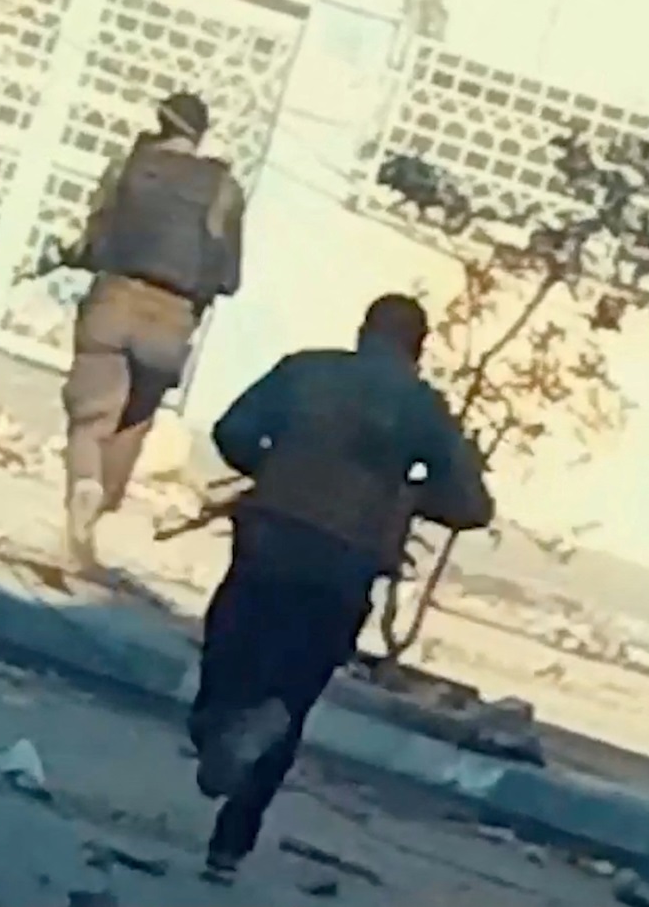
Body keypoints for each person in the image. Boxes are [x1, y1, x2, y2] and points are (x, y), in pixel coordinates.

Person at [187, 293, 494, 882]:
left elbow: (232, 431)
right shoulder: (423, 408)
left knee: (228, 655)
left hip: (269, 542)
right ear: (418, 350)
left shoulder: (306, 369)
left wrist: (275, 466)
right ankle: (228, 848)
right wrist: (406, 497)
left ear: (362, 332)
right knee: (292, 698)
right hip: (345, 568)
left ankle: (215, 727)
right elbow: (472, 504)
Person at [50, 90, 245, 574]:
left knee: (91, 416)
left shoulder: (128, 168)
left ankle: (84, 485)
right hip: (172, 320)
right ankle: (95, 517)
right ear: (201, 135)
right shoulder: (224, 189)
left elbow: (94, 241)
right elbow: (229, 278)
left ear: (159, 123)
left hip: (114, 300)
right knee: (133, 422)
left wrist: (68, 256)